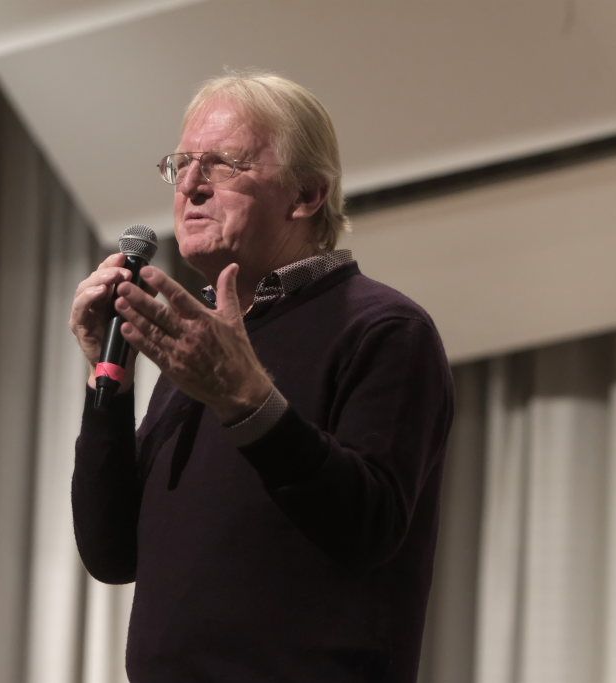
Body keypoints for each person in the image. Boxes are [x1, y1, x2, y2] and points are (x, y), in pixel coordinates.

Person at [70, 71, 454, 682]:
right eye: (182, 165)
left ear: (306, 194)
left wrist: (248, 400)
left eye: (222, 164)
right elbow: (112, 552)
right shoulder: (202, 345)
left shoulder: (385, 330)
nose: (190, 186)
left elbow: (369, 529)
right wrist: (105, 379)